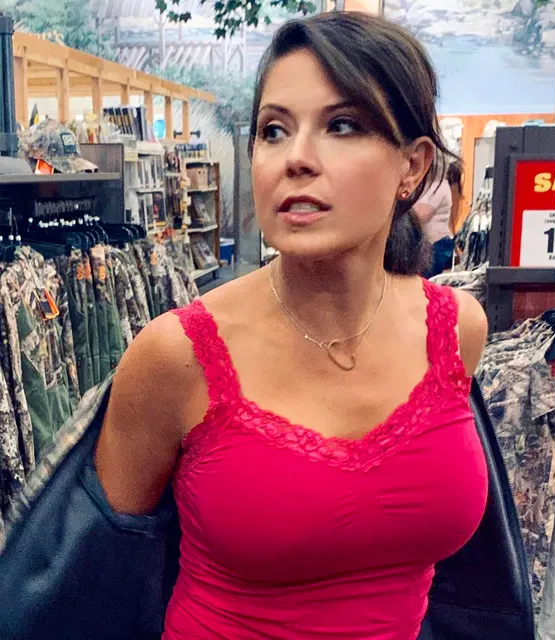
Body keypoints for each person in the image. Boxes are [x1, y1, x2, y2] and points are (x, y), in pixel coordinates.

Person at [95, 12, 489, 640]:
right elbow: (103, 572)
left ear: (412, 168)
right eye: (273, 130)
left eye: (342, 125)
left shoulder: (455, 330)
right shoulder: (177, 356)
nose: (297, 159)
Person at [413, 160, 463, 277]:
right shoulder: (431, 186)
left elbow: (421, 215)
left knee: (425, 282)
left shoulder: (438, 187)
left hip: (436, 244)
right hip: (432, 243)